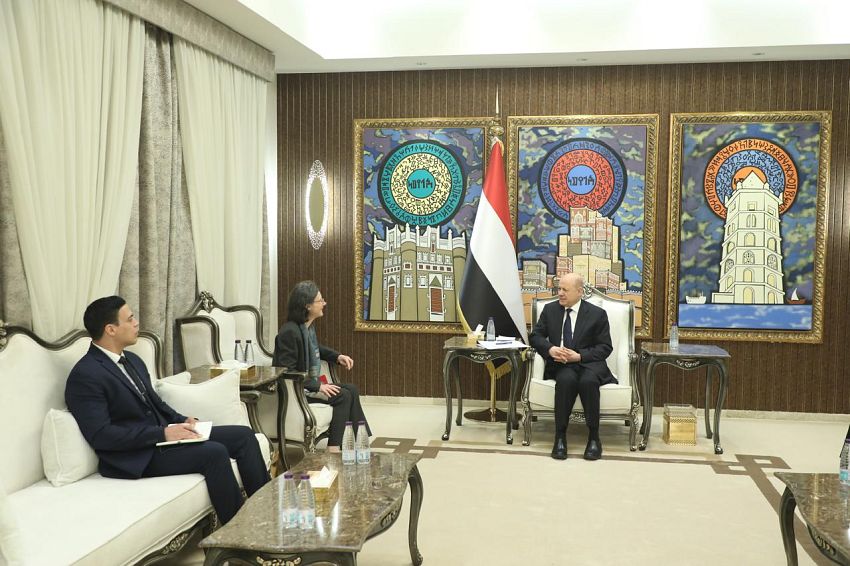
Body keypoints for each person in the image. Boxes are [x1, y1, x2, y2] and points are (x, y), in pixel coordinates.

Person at [65, 296, 269, 524]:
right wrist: (162, 434)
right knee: (214, 452)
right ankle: (239, 532)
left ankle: (266, 517)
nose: (136, 323)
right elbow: (102, 436)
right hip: (134, 456)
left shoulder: (132, 360)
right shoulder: (86, 375)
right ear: (110, 329)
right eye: (130, 319)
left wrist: (184, 421)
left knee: (244, 436)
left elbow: (156, 404)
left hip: (162, 439)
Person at [273, 280, 370, 451]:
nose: (324, 303)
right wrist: (317, 386)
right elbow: (286, 371)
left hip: (306, 386)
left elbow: (315, 348)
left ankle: (357, 441)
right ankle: (334, 448)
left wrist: (337, 356)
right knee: (343, 396)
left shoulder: (306, 328)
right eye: (320, 300)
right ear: (307, 306)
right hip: (296, 392)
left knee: (351, 389)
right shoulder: (289, 332)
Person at [529, 273, 616, 461]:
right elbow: (535, 336)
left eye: (565, 290)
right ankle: (560, 437)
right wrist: (550, 349)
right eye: (559, 289)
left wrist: (580, 356)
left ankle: (594, 437)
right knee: (565, 381)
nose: (560, 293)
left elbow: (605, 347)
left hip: (588, 364)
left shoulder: (597, 314)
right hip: (561, 365)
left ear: (579, 291)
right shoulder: (550, 310)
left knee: (588, 382)